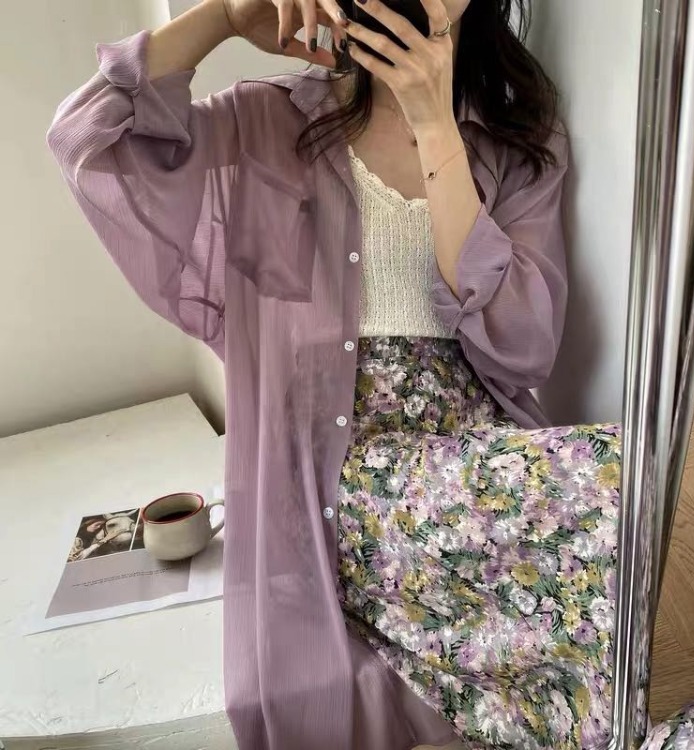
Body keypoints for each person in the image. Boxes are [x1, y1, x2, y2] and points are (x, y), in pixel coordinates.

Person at [47, 1, 621, 748]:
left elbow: (526, 348)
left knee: (630, 479)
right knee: (614, 484)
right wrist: (223, 17)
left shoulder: (516, 135)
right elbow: (88, 137)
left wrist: (436, 127)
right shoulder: (267, 122)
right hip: (336, 472)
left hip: (471, 455)